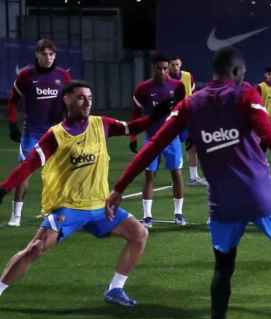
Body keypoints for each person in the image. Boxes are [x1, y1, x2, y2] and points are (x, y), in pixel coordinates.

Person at [104, 47, 271, 319]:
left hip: (222, 203)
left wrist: (118, 187)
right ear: (238, 72)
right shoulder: (245, 94)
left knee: (223, 270)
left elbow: (153, 145)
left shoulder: (190, 103)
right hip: (260, 195)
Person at [0, 80, 169, 307]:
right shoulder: (56, 135)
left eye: (90, 97)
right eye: (80, 97)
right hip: (68, 208)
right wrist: (4, 188)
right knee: (34, 249)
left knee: (139, 234)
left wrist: (155, 115)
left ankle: (115, 288)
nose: (87, 101)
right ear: (67, 99)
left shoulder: (102, 124)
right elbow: (28, 165)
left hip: (100, 206)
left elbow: (132, 127)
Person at [5, 38, 72, 227]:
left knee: (57, 174)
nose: (48, 57)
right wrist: (12, 124)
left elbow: (71, 102)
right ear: (37, 54)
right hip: (31, 132)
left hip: (56, 134)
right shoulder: (26, 75)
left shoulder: (63, 76)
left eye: (52, 54)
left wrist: (71, 125)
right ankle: (16, 215)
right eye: (44, 54)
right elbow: (12, 102)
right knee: (23, 172)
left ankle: (52, 212)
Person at [131, 52, 187, 228]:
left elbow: (184, 111)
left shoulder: (178, 86)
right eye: (159, 68)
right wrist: (133, 136)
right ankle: (147, 216)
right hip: (152, 139)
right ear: (152, 68)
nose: (163, 71)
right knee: (149, 175)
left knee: (176, 173)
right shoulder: (142, 89)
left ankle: (178, 213)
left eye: (165, 68)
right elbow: (136, 113)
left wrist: (185, 132)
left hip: (172, 138)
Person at [169, 55, 207, 187]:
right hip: (173, 119)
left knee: (193, 146)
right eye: (172, 65)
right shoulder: (165, 79)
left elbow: (192, 92)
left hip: (189, 116)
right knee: (169, 148)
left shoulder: (188, 76)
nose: (175, 67)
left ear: (181, 65)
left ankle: (193, 177)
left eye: (177, 65)